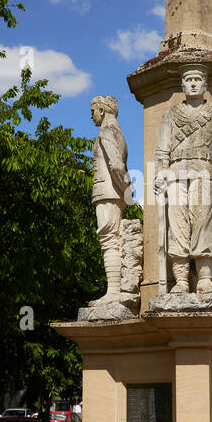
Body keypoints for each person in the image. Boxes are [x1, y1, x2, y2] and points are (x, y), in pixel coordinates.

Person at [153, 65, 212, 295]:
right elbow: (162, 149)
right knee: (177, 227)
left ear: (205, 85)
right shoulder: (170, 114)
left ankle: (205, 278)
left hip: (203, 172)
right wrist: (160, 171)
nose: (193, 83)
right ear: (182, 85)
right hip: (175, 174)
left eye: (197, 79)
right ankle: (182, 280)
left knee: (203, 224)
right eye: (188, 79)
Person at [90, 96, 133, 305]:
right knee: (112, 239)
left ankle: (114, 291)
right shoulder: (117, 132)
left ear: (103, 110)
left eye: (93, 111)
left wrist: (127, 190)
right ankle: (114, 290)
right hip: (112, 192)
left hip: (107, 192)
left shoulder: (107, 132)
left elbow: (116, 165)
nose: (92, 116)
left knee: (109, 240)